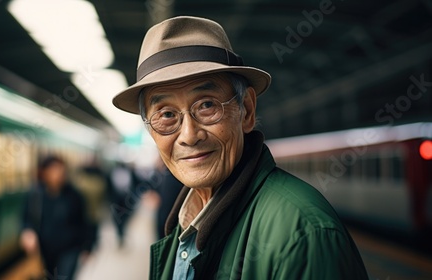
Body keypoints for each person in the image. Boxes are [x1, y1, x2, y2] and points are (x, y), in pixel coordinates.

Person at [112, 16, 369, 279]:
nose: (189, 135)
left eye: (207, 105)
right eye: (166, 115)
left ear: (246, 110)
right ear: (151, 131)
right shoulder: (184, 223)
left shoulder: (306, 235)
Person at [20, 155, 94, 279]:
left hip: (70, 249)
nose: (57, 174)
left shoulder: (74, 196)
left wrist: (87, 246)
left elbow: (85, 222)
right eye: (52, 170)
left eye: (60, 169)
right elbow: (27, 218)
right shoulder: (36, 195)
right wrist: (27, 231)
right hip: (46, 250)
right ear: (44, 173)